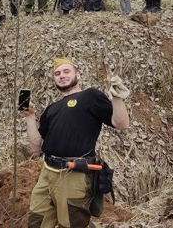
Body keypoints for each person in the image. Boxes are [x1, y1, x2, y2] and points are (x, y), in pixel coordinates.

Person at [23, 58, 130, 228]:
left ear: (78, 75)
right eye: (57, 73)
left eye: (66, 71)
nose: (62, 75)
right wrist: (30, 117)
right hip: (47, 173)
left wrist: (117, 98)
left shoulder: (90, 96)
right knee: (37, 222)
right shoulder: (52, 109)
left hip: (73, 174)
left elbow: (121, 123)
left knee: (72, 224)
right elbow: (36, 147)